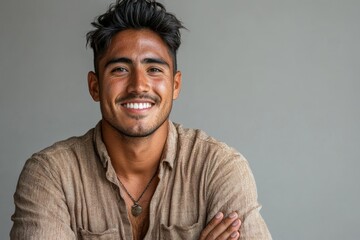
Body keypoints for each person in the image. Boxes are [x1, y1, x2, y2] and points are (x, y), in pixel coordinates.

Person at [10, 0, 272, 239]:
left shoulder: (218, 168)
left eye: (154, 69)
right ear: (95, 86)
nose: (139, 85)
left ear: (175, 85)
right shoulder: (50, 175)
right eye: (120, 69)